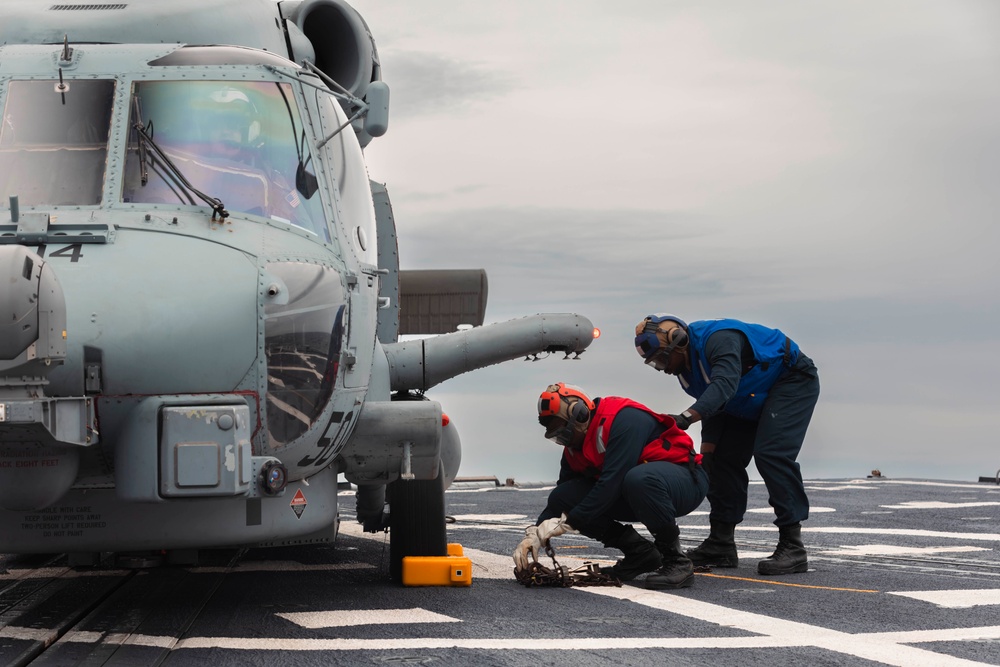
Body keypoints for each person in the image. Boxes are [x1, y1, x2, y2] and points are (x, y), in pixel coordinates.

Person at [633, 314, 820, 575]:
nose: (662, 367)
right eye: (654, 363)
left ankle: (793, 546)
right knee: (717, 459)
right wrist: (708, 448)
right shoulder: (687, 371)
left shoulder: (720, 340)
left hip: (789, 381)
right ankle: (721, 544)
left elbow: (724, 385)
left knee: (771, 454)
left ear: (679, 340)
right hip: (746, 397)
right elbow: (714, 403)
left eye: (662, 358)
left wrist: (686, 418)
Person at [513, 382, 708, 588]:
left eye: (564, 431)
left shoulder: (623, 420)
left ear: (580, 415)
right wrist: (534, 533)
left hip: (684, 482)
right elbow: (561, 501)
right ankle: (640, 553)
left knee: (638, 479)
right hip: (636, 491)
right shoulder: (574, 450)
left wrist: (568, 522)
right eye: (557, 436)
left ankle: (677, 560)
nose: (563, 440)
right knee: (564, 497)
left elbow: (611, 483)